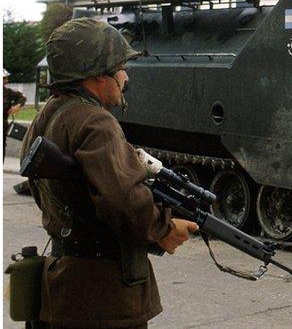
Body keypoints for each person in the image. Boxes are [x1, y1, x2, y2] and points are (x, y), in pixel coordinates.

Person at [20, 18, 198, 328]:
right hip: (104, 302)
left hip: (61, 289)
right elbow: (123, 200)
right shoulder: (96, 122)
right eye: (119, 67)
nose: (125, 76)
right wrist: (164, 229)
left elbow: (43, 189)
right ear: (97, 76)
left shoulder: (48, 113)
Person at [4, 68, 27, 156]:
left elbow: (22, 97)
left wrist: (17, 106)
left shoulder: (7, 92)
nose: (6, 81)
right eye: (4, 78)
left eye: (6, 78)